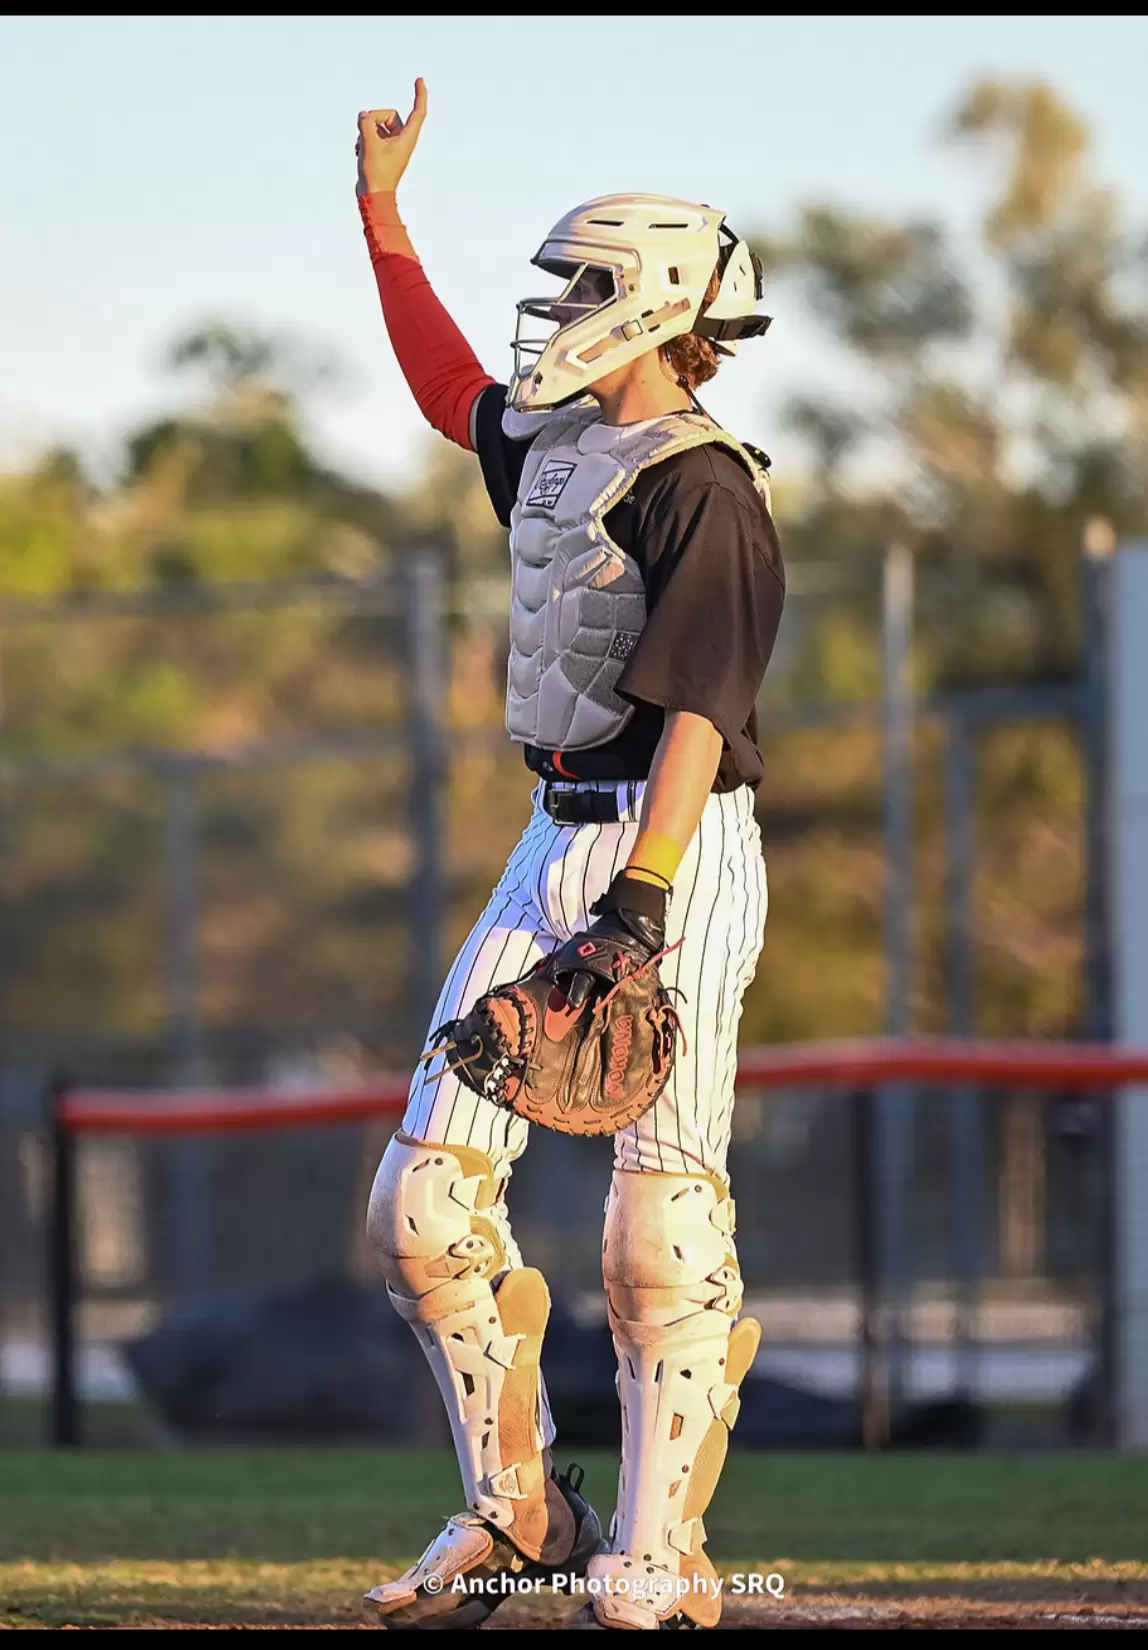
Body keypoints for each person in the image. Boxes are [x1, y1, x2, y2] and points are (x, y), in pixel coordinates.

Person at [356, 79, 786, 1632]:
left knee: (655, 1219)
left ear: (659, 300)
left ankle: (658, 1553)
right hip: (552, 833)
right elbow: (446, 385)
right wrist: (383, 215)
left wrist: (642, 906)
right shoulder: (556, 451)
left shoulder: (705, 485)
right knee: (421, 1206)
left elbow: (698, 719)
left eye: (588, 283)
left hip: (676, 846)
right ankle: (522, 1508)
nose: (561, 310)